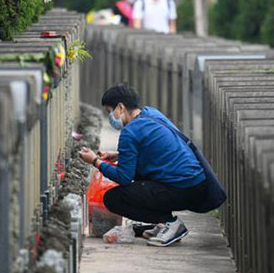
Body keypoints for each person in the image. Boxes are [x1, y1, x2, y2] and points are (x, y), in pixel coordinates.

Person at [78, 84, 208, 247]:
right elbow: (154, 146)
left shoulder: (129, 132)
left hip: (182, 188)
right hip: (196, 184)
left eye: (110, 111)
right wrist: (118, 155)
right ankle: (162, 224)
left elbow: (124, 177)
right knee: (141, 184)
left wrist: (95, 161)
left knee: (113, 198)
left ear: (121, 107)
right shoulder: (151, 113)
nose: (110, 117)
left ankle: (170, 223)